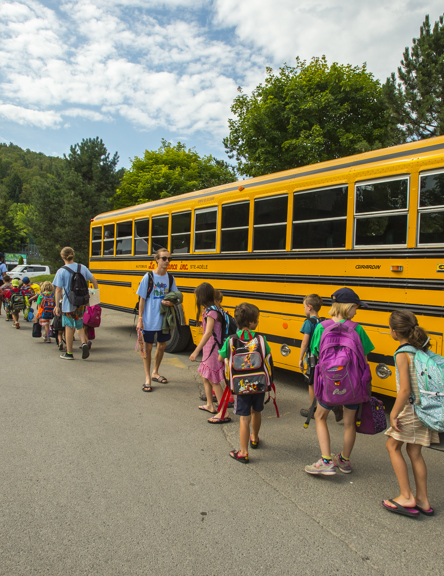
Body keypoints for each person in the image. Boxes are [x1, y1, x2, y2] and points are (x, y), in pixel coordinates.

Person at [305, 287, 374, 476]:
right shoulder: (357, 328)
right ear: (347, 307)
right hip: (353, 385)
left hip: (329, 384)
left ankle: (326, 460)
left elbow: (317, 353)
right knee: (350, 423)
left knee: (320, 417)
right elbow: (364, 360)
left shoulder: (321, 327)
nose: (356, 311)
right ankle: (344, 460)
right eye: (355, 307)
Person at [382, 310, 439, 517]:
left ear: (395, 332)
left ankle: (406, 496)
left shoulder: (402, 353)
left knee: (392, 445)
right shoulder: (420, 350)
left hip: (412, 409)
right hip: (425, 409)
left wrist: (394, 414)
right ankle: (423, 500)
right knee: (414, 452)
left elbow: (405, 390)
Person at [218, 302, 272, 463]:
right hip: (259, 384)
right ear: (251, 322)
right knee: (257, 411)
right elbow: (267, 354)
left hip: (240, 386)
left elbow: (221, 358)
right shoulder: (260, 339)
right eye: (257, 319)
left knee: (244, 417)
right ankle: (254, 437)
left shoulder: (231, 340)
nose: (258, 321)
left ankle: (243, 452)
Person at [136, 248, 178, 392]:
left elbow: (175, 297)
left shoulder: (170, 278)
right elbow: (142, 299)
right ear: (157, 259)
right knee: (147, 348)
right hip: (149, 318)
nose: (167, 261)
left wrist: (171, 303)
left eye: (169, 259)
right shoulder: (148, 277)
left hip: (164, 320)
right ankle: (147, 377)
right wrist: (140, 319)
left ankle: (155, 372)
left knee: (161, 346)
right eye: (164, 258)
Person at [53, 246, 98, 360]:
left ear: (62, 256)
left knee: (69, 327)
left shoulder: (61, 271)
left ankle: (69, 353)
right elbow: (94, 280)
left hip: (69, 304)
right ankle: (83, 343)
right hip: (81, 302)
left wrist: (57, 305)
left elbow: (58, 290)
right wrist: (95, 295)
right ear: (73, 254)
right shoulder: (82, 267)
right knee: (79, 325)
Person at [190, 283, 226, 416]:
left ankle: (223, 412)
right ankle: (210, 405)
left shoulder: (212, 312)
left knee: (214, 380)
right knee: (205, 376)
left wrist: (196, 351)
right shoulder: (210, 309)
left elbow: (208, 333)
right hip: (209, 349)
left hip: (213, 349)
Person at [298, 294, 323, 419]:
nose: (303, 310)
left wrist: (300, 358)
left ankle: (313, 409)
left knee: (311, 383)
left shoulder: (308, 322)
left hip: (312, 359)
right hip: (323, 357)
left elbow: (304, 342)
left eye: (304, 307)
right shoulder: (324, 321)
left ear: (309, 307)